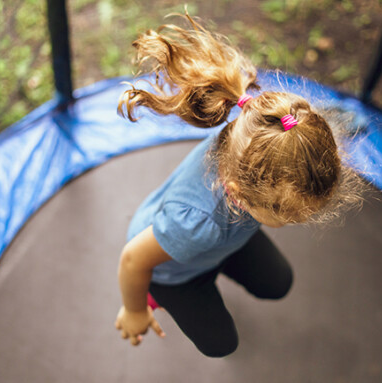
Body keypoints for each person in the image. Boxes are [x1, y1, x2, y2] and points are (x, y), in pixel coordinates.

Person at [114, 11, 362, 358]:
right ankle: (162, 294)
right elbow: (132, 261)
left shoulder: (263, 141)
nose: (297, 221)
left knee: (278, 283)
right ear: (238, 195)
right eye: (289, 215)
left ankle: (217, 263)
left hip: (221, 241)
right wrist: (135, 309)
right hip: (172, 268)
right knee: (220, 345)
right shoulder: (195, 224)